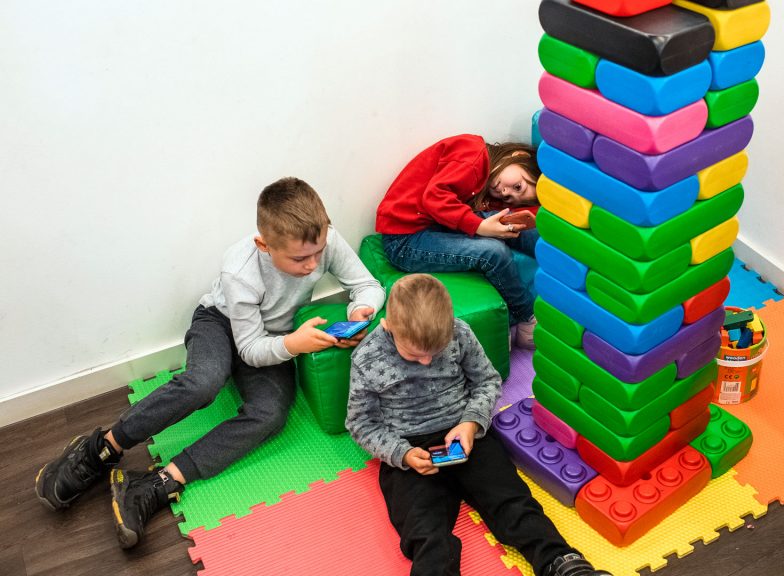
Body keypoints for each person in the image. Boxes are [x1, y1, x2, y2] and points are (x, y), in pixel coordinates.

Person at [35, 177, 386, 549]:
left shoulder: (324, 239)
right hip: (220, 323)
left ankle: (158, 483)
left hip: (273, 336)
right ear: (263, 245)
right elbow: (249, 349)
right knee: (204, 381)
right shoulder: (240, 270)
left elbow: (368, 285)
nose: (313, 265)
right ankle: (102, 448)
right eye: (300, 259)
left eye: (318, 253)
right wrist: (294, 345)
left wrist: (360, 309)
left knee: (270, 414)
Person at [347, 274, 609, 576]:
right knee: (423, 527)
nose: (426, 362)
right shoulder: (367, 358)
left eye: (435, 352)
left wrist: (471, 422)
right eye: (415, 355)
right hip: (407, 450)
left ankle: (559, 561)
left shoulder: (460, 333)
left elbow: (486, 381)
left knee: (511, 500)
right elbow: (361, 422)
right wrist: (401, 453)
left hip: (466, 434)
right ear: (387, 326)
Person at [375, 134, 541, 349]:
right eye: (517, 186)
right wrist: (480, 227)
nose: (505, 192)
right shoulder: (473, 155)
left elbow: (520, 214)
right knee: (494, 252)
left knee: (517, 227)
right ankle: (526, 316)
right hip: (406, 239)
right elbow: (434, 197)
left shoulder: (488, 180)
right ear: (519, 155)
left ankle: (567, 277)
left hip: (436, 224)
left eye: (511, 196)